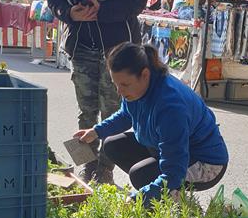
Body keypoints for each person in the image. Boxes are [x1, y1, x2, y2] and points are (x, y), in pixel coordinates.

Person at [47, 0, 147, 183]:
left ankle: (104, 172)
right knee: (86, 111)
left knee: (112, 111)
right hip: (81, 46)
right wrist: (69, 13)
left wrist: (103, 12)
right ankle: (86, 167)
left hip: (116, 47)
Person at [75, 42, 228, 204]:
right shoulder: (136, 89)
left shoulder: (170, 107)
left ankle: (180, 207)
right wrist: (96, 131)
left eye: (124, 84)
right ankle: (165, 195)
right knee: (112, 144)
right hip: (170, 149)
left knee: (141, 175)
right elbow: (126, 115)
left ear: (145, 75)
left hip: (204, 161)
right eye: (116, 84)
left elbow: (174, 171)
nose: (119, 91)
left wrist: (139, 198)